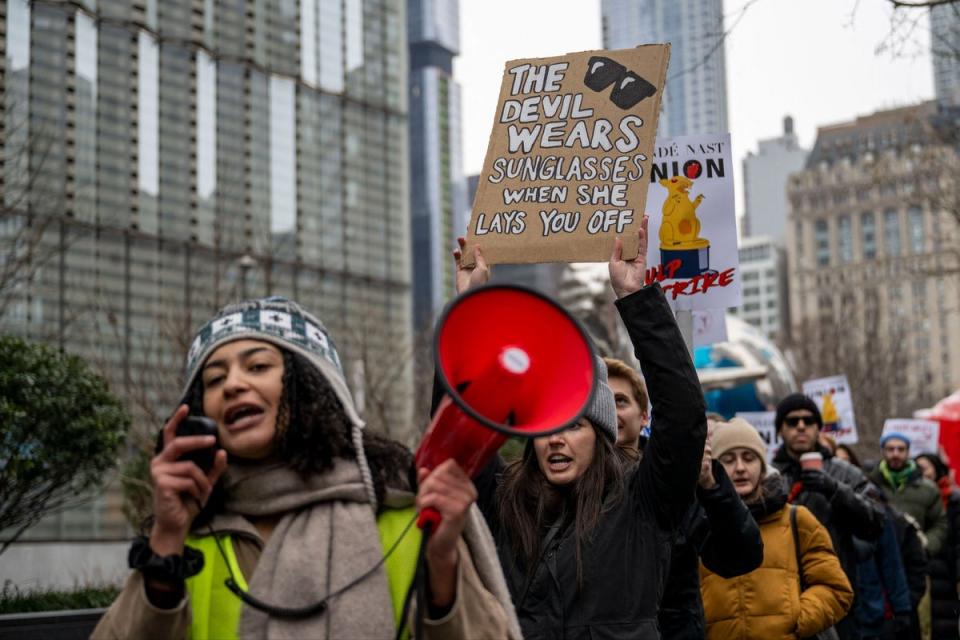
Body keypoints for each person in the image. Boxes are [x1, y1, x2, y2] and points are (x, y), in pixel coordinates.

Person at [93, 296, 520, 640]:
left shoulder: (406, 510)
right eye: (214, 379)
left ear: (313, 386)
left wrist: (443, 563)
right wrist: (166, 540)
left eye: (258, 365)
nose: (233, 384)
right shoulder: (184, 534)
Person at [462, 219, 708, 639]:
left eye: (574, 425)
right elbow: (458, 443)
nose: (555, 438)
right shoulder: (505, 505)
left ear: (601, 432)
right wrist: (469, 310)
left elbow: (683, 418)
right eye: (546, 425)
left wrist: (636, 298)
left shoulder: (641, 502)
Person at [602, 377, 763, 640]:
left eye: (620, 401)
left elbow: (741, 556)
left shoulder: (677, 486)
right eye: (602, 401)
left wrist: (710, 484)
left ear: (644, 417)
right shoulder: (567, 486)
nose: (609, 410)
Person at [700, 417, 853, 640]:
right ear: (714, 466)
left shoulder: (797, 519)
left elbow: (835, 589)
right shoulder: (699, 524)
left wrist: (795, 620)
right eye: (728, 459)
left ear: (762, 465)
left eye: (749, 458)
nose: (740, 468)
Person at [772, 393, 885, 639]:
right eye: (792, 421)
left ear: (818, 428)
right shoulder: (766, 475)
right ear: (780, 429)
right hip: (778, 599)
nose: (801, 426)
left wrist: (834, 489)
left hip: (835, 597)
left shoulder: (845, 473)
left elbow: (876, 522)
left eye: (808, 420)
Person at [869, 433, 948, 557]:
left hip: (914, 559)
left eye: (901, 449)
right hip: (878, 557)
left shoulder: (928, 488)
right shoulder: (869, 483)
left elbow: (940, 523)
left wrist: (927, 546)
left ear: (908, 452)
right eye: (890, 449)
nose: (895, 454)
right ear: (882, 451)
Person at [914, 452, 960, 639]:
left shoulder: (954, 501)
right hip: (921, 575)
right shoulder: (911, 497)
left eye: (924, 468)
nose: (921, 473)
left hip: (946, 576)